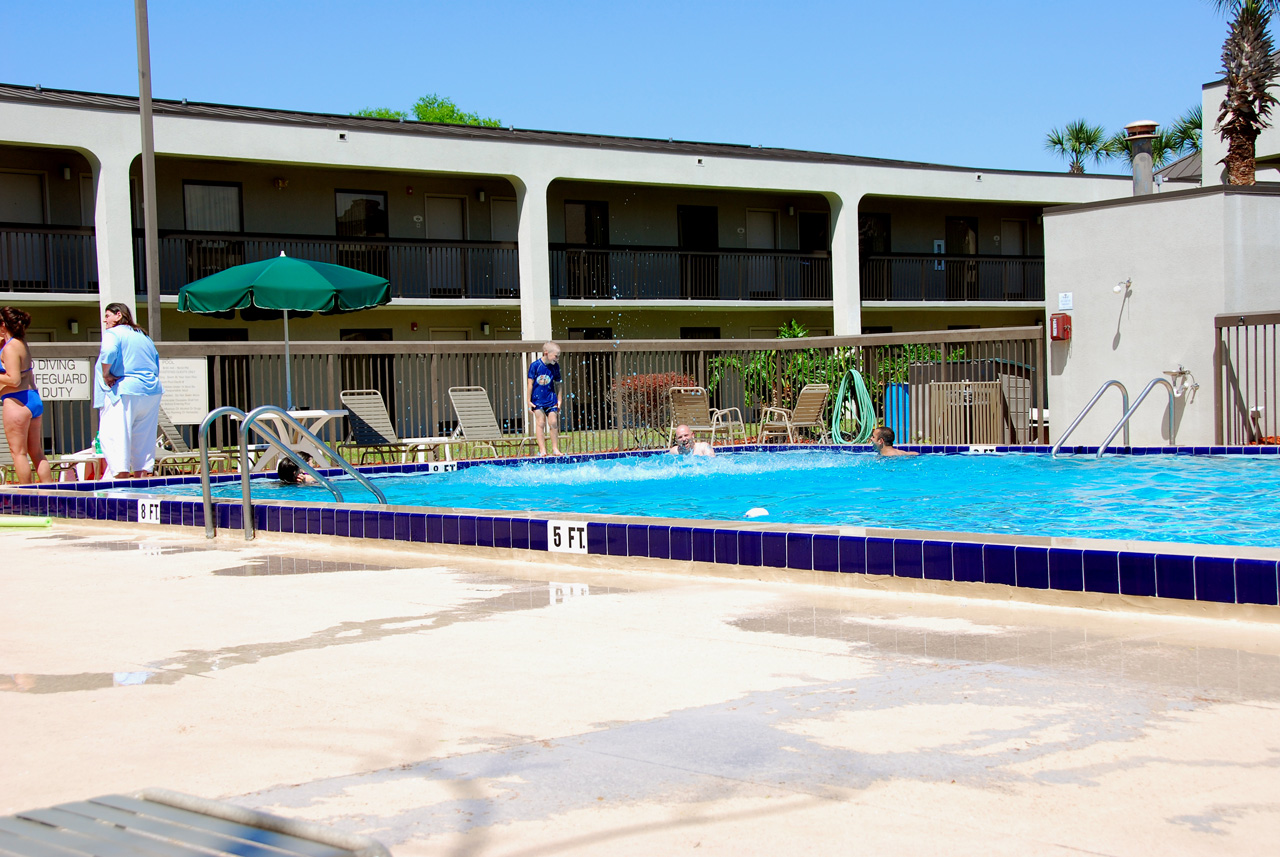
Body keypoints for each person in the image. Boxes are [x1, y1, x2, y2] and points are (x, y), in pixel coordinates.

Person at [97, 302, 163, 479]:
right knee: (144, 440)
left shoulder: (113, 334)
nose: (105, 320)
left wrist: (106, 373)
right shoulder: (143, 335)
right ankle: (142, 478)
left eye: (108, 315)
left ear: (119, 315)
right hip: (151, 391)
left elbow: (109, 351)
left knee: (115, 436)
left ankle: (122, 479)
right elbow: (155, 361)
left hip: (125, 391)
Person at [0, 307, 53, 483]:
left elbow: (13, 379)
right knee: (37, 452)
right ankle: (52, 496)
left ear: (3, 325)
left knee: (18, 453)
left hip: (17, 401)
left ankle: (26, 496)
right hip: (33, 399)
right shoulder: (21, 343)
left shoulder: (9, 348)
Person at [526, 341, 563, 456]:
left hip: (551, 399)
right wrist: (528, 400)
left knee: (553, 422)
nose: (557, 359)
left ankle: (555, 448)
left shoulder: (555, 367)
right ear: (546, 353)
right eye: (556, 356)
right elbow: (530, 384)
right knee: (540, 423)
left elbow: (559, 384)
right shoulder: (535, 366)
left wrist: (559, 400)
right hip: (537, 400)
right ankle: (542, 450)